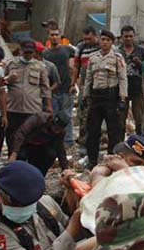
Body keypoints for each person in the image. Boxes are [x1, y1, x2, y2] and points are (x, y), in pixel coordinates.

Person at [82, 30, 128, 169]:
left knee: (113, 131)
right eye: (102, 39)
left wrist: (122, 98)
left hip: (111, 96)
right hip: (96, 97)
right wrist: (85, 96)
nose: (105, 42)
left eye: (108, 40)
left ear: (112, 42)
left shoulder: (117, 58)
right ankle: (92, 161)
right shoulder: (93, 58)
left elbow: (122, 78)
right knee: (93, 130)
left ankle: (111, 160)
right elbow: (88, 78)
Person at [3, 40, 52, 152]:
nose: (28, 55)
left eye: (30, 53)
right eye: (25, 52)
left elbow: (45, 88)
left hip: (32, 110)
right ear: (20, 51)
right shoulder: (11, 64)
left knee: (30, 139)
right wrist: (8, 79)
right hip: (13, 109)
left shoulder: (40, 67)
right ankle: (13, 159)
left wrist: (48, 106)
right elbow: (1, 84)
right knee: (12, 137)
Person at [42, 28, 76, 148]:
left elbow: (74, 68)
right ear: (48, 36)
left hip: (66, 89)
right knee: (53, 118)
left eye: (57, 35)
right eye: (52, 35)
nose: (55, 37)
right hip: (52, 91)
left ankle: (68, 141)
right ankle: (55, 142)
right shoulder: (45, 54)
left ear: (60, 36)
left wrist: (72, 84)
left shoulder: (68, 49)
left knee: (67, 116)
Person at [7, 111, 70, 176]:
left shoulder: (60, 133)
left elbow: (60, 149)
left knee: (51, 154)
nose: (56, 131)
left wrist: (65, 168)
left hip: (40, 148)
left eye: (59, 130)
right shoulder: (38, 119)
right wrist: (14, 153)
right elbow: (21, 133)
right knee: (19, 158)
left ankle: (39, 176)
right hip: (24, 144)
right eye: (56, 128)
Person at [74, 26, 101, 154]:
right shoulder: (81, 47)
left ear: (95, 36)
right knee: (83, 115)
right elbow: (76, 66)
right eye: (85, 39)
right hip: (85, 86)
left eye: (89, 38)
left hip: (100, 87)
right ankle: (83, 143)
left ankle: (98, 142)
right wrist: (73, 83)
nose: (87, 41)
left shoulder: (103, 46)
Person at [119, 25, 144, 136]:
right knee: (121, 116)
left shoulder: (141, 51)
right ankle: (120, 142)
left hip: (137, 86)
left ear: (134, 36)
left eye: (131, 36)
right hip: (122, 87)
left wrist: (139, 64)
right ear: (122, 37)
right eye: (126, 36)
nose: (128, 39)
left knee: (139, 116)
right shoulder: (118, 51)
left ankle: (140, 141)